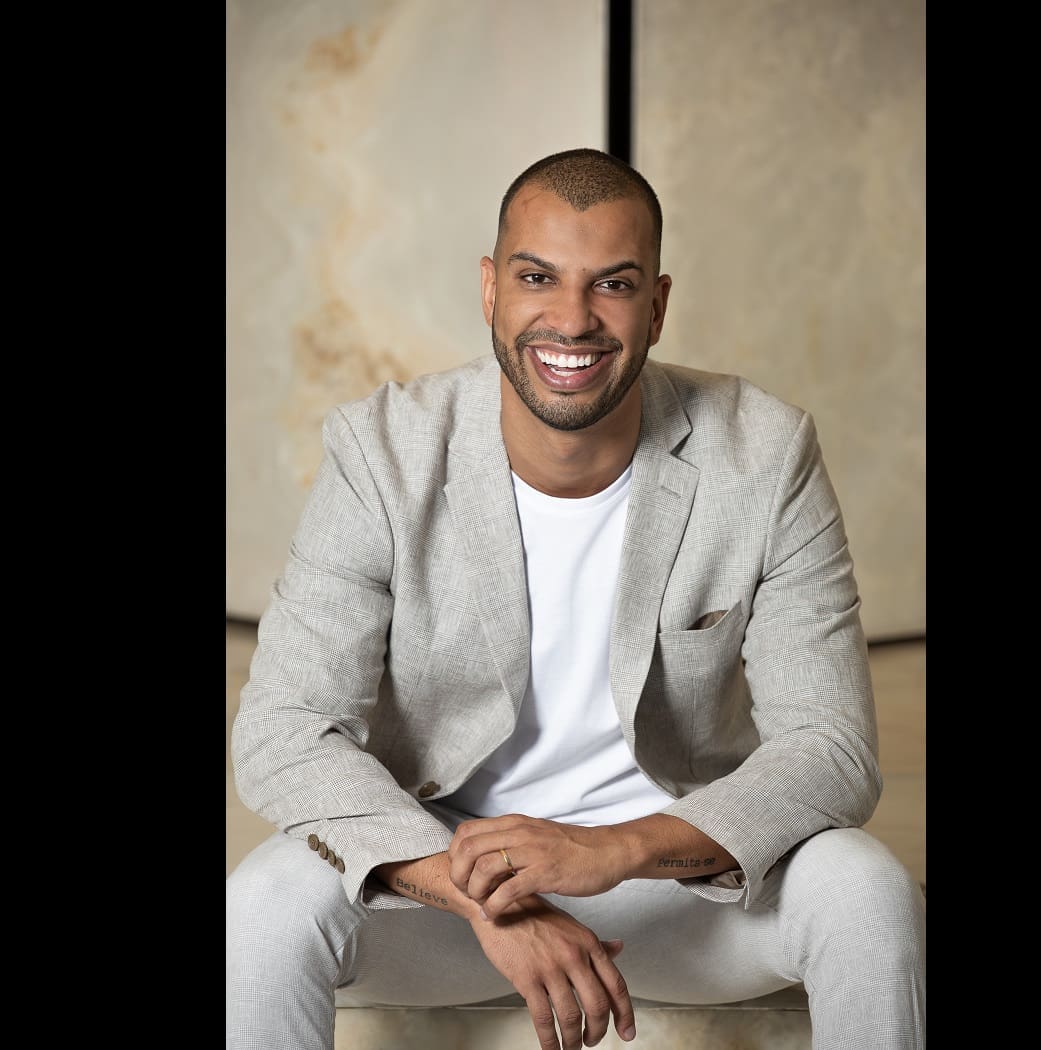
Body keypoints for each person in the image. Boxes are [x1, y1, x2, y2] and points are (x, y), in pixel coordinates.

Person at [226, 147, 926, 1050]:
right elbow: (284, 732)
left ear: (659, 305)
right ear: (489, 289)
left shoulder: (766, 454)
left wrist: (618, 849)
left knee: (867, 890)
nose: (572, 318)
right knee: (261, 903)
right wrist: (470, 888)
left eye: (614, 284)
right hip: (450, 894)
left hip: (678, 887)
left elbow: (833, 749)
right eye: (537, 277)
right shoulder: (383, 452)